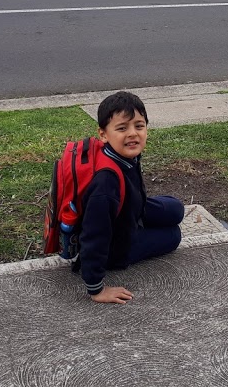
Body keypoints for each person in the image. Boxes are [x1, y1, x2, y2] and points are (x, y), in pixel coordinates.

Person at [77, 91, 183, 304]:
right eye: (122, 128)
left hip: (130, 210)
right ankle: (135, 234)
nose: (133, 134)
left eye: (139, 126)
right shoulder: (105, 185)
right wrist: (96, 289)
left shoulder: (122, 154)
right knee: (173, 236)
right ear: (103, 134)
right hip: (117, 246)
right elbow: (94, 235)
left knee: (177, 209)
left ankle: (140, 221)